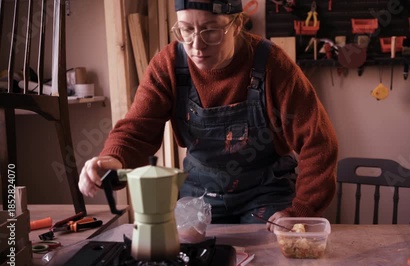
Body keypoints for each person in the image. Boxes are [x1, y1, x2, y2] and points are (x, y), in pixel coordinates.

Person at [79, 0, 338, 231]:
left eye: (211, 30)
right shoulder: (168, 65)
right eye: (185, 30)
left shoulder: (272, 65)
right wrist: (113, 159)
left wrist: (301, 211)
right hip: (200, 192)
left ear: (236, 25)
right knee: (189, 260)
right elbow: (137, 130)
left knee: (269, 261)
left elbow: (319, 142)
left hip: (266, 193)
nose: (196, 44)